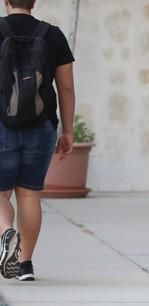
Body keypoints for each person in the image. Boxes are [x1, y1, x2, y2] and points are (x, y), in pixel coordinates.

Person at [0, 0, 75, 281]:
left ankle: (6, 232)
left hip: (1, 126)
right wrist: (67, 130)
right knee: (29, 193)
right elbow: (66, 87)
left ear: (6, 1)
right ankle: (25, 265)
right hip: (41, 127)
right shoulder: (52, 35)